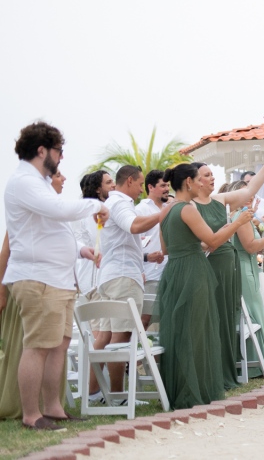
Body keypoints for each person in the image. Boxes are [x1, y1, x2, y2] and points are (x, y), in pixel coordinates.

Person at [3, 122, 108, 430]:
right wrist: (96, 204)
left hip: (59, 278)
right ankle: (31, 415)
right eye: (59, 151)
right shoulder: (24, 181)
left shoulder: (37, 182)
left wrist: (80, 250)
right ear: (42, 150)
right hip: (39, 278)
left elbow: (52, 230)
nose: (61, 158)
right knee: (37, 345)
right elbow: (58, 211)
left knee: (58, 345)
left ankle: (54, 408)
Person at [157, 163, 255, 409]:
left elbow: (166, 249)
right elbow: (212, 241)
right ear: (188, 182)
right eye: (197, 180)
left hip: (174, 271)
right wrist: (236, 221)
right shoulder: (187, 210)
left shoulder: (165, 211)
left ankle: (180, 388)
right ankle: (195, 390)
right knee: (197, 332)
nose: (202, 184)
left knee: (181, 333)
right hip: (194, 271)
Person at [192, 147, 264, 389]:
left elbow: (250, 190)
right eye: (206, 174)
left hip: (230, 266)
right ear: (193, 181)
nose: (212, 178)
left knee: (231, 318)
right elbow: (203, 243)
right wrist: (235, 226)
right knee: (216, 318)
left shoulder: (219, 200)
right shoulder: (189, 207)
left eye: (212, 174)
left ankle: (231, 365)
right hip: (211, 267)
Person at [89, 165, 166, 402]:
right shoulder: (120, 203)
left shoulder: (112, 203)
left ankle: (92, 394)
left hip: (111, 276)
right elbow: (134, 226)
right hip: (122, 276)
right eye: (141, 183)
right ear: (130, 181)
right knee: (121, 336)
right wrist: (164, 213)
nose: (142, 188)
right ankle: (118, 395)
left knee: (106, 335)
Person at [0, 168, 70, 419]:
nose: (64, 179)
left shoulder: (56, 214)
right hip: (29, 286)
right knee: (31, 346)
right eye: (59, 175)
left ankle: (51, 405)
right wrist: (0, 290)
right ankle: (24, 407)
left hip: (57, 285)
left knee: (54, 346)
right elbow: (5, 252)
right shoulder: (27, 214)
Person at [227, 180, 264, 378]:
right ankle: (251, 365)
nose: (251, 197)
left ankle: (256, 362)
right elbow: (250, 247)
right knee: (251, 314)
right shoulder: (240, 217)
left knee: (256, 313)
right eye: (246, 194)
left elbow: (253, 244)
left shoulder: (245, 217)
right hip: (243, 270)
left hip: (249, 265)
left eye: (252, 194)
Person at [74, 171, 115, 296]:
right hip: (96, 280)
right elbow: (99, 242)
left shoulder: (87, 210)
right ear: (97, 189)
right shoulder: (95, 210)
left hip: (91, 278)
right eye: (109, 182)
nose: (114, 185)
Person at [136, 169, 168, 329]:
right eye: (163, 185)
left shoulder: (170, 206)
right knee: (145, 319)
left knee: (166, 320)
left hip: (169, 272)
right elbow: (135, 244)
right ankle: (140, 351)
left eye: (168, 185)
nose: (167, 189)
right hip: (151, 274)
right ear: (150, 187)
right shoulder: (141, 210)